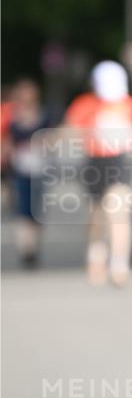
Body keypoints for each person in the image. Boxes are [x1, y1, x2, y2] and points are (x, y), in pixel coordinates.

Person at [65, 61, 132, 287]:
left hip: (118, 161)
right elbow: (69, 131)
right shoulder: (84, 104)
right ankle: (96, 255)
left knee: (119, 213)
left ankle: (119, 265)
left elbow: (131, 130)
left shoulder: (126, 102)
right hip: (95, 162)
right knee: (97, 216)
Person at [6, 79, 50, 268]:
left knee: (36, 212)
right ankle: (26, 248)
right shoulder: (12, 118)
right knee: (22, 211)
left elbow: (51, 138)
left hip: (40, 168)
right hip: (19, 169)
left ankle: (35, 248)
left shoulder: (44, 115)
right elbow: (7, 142)